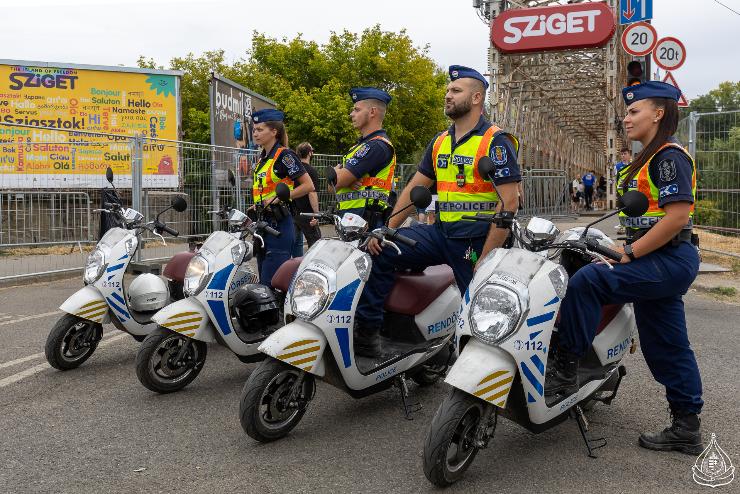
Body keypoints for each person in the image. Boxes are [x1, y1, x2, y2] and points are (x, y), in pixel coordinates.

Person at [545, 81, 703, 455]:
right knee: (666, 342)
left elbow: (677, 215)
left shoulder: (668, 156)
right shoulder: (647, 158)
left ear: (658, 113)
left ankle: (566, 371)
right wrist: (615, 246)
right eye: (626, 111)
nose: (626, 117)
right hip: (658, 257)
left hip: (669, 258)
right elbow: (645, 215)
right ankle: (686, 426)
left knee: (589, 281)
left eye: (634, 111)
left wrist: (629, 253)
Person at [353, 65, 521, 358]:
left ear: (477, 97)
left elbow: (509, 202)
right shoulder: (440, 141)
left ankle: (482, 364)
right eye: (447, 91)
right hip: (440, 234)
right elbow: (413, 189)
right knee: (382, 250)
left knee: (481, 305)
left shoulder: (496, 142)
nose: (448, 95)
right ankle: (368, 334)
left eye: (456, 91)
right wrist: (386, 229)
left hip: (474, 243)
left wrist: (485, 257)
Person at [250, 109, 315, 285]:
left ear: (274, 132)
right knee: (264, 281)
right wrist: (256, 205)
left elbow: (308, 186)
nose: (255, 133)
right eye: (254, 129)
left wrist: (281, 198)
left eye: (260, 129)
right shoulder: (262, 158)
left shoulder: (285, 155)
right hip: (262, 224)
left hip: (279, 224)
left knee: (271, 284)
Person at [333, 87, 396, 228]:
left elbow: (336, 181)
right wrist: (342, 179)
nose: (351, 114)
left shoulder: (376, 145)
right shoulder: (357, 147)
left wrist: (338, 175)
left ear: (372, 112)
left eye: (357, 110)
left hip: (367, 223)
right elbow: (332, 187)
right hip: (351, 220)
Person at [291, 142, 322, 256]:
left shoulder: (293, 171)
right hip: (308, 215)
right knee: (316, 245)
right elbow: (312, 193)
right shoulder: (311, 171)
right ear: (309, 153)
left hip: (293, 213)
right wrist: (316, 214)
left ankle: (296, 267)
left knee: (296, 244)